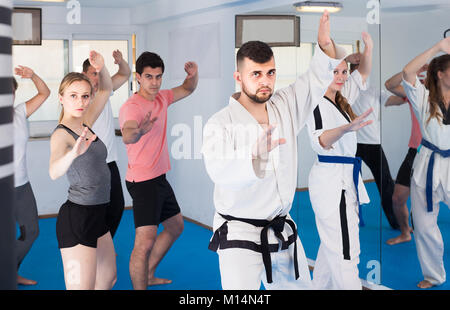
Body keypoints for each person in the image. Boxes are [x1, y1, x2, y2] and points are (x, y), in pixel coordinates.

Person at [201, 11, 347, 290]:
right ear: (238, 77)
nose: (265, 80)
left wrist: (325, 45)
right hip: (239, 233)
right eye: (255, 74)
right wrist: (253, 156)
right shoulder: (220, 123)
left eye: (270, 73)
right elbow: (218, 170)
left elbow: (315, 78)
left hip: (281, 228)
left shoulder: (284, 104)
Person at [119, 52, 198, 290]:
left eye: (158, 77)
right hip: (143, 182)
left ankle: (148, 273)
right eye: (149, 77)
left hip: (159, 178)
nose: (154, 82)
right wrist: (140, 131)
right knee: (143, 244)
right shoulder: (131, 106)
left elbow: (187, 88)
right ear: (138, 78)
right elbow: (127, 133)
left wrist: (193, 75)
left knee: (176, 226)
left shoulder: (162, 98)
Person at [305, 31, 374, 290]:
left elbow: (363, 74)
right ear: (324, 72)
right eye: (337, 72)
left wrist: (369, 47)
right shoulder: (317, 104)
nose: (342, 77)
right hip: (333, 183)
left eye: (345, 72)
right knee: (346, 252)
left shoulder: (342, 98)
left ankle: (319, 287)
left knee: (331, 244)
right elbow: (321, 139)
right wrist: (346, 128)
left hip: (344, 179)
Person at [49, 51, 116, 290]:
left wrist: (102, 67)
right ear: (61, 98)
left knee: (107, 279)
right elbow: (54, 171)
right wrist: (72, 154)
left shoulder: (85, 120)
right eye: (73, 96)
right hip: (77, 218)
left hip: (99, 214)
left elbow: (106, 89)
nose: (80, 101)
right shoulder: (62, 134)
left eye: (85, 96)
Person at [401, 37, 450, 289]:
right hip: (427, 165)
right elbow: (408, 72)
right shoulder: (423, 97)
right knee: (424, 225)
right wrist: (438, 48)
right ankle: (433, 276)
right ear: (440, 74)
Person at [345, 55, 401, 230]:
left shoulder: (373, 91)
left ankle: (396, 221)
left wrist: (411, 95)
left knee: (386, 185)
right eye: (355, 68)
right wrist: (346, 57)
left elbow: (393, 100)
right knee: (350, 186)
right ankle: (351, 220)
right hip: (351, 143)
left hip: (372, 144)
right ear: (351, 71)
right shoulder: (343, 91)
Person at [82, 49, 131, 238]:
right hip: (91, 164)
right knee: (94, 210)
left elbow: (125, 74)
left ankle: (105, 244)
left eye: (98, 73)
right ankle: (91, 247)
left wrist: (120, 61)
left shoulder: (105, 91)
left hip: (109, 162)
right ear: (84, 75)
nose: (97, 77)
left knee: (117, 207)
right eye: (93, 73)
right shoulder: (83, 98)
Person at [13, 66, 50, 286]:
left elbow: (45, 93)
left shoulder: (19, 112)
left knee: (32, 231)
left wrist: (34, 76)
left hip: (22, 186)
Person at [383, 66, 426, 245]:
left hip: (440, 155)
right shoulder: (416, 92)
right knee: (397, 198)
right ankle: (405, 232)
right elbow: (390, 85)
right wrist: (413, 70)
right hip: (414, 152)